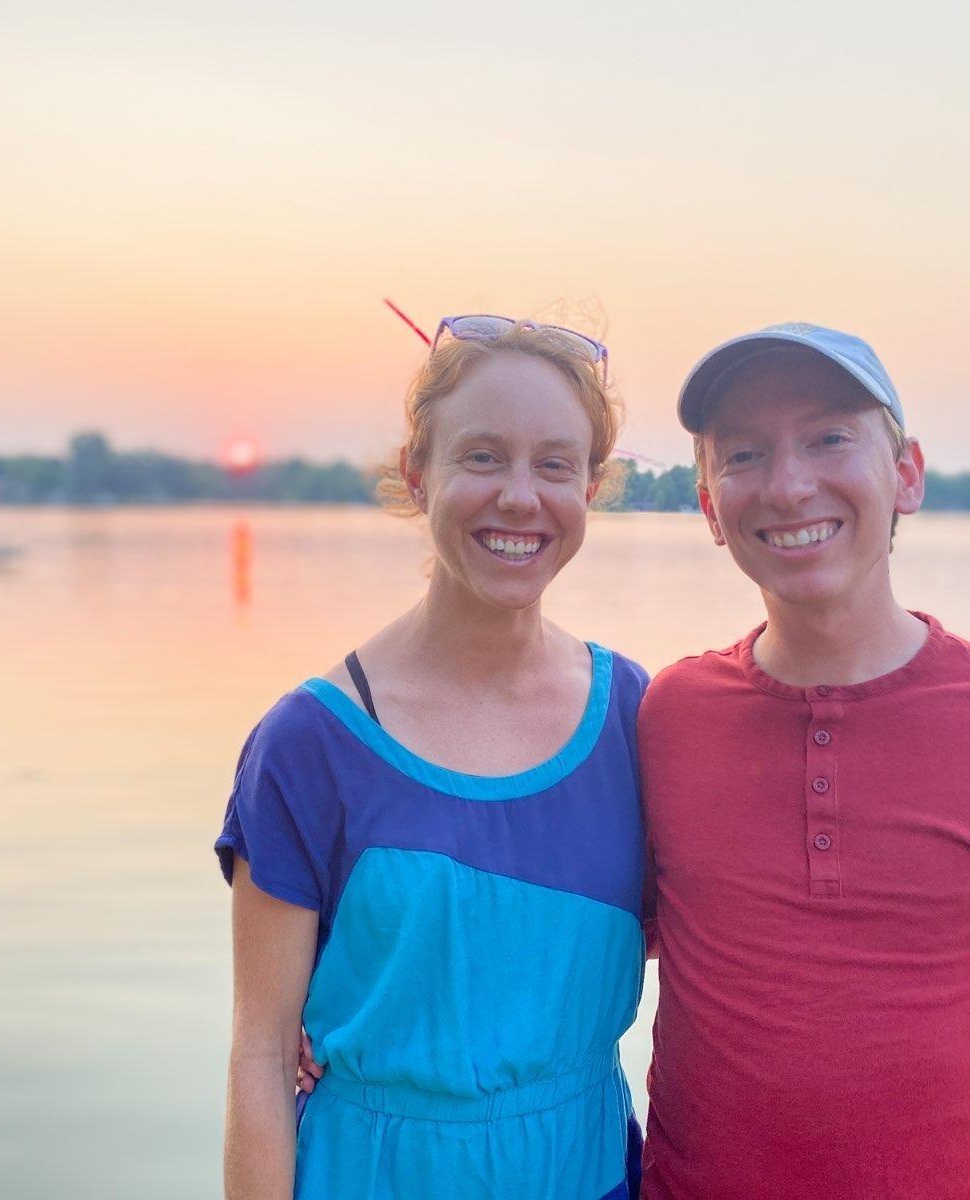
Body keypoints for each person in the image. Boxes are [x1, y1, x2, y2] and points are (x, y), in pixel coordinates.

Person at [639, 323, 970, 1199]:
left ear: (906, 475)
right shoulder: (669, 714)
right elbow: (573, 933)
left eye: (829, 438)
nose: (789, 483)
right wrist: (332, 1008)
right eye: (744, 455)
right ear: (709, 509)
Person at [218, 316, 648, 1199]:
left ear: (591, 487)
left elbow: (668, 934)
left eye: (555, 464)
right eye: (483, 457)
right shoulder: (310, 743)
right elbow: (261, 1056)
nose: (521, 498)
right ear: (420, 474)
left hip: (589, 1174)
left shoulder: (638, 717)